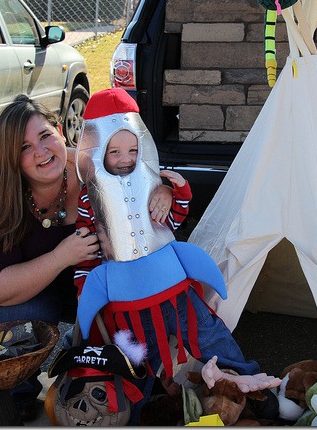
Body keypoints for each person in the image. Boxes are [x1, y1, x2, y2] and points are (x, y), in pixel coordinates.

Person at [0, 94, 174, 421]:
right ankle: (17, 383)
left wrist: (166, 191)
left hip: (82, 283)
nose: (41, 152)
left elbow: (145, 175)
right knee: (33, 313)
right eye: (23, 147)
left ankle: (135, 377)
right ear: (9, 159)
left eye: (45, 136)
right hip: (9, 295)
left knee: (129, 304)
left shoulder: (95, 167)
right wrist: (62, 256)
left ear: (61, 130)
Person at [73, 88, 280, 425]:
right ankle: (138, 411)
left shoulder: (154, 184)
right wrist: (88, 293)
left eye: (132, 149)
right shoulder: (88, 201)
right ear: (96, 152)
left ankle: (253, 389)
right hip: (130, 307)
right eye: (114, 151)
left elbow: (174, 220)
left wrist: (175, 192)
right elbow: (86, 255)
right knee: (135, 362)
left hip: (176, 292)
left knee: (212, 336)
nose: (125, 158)